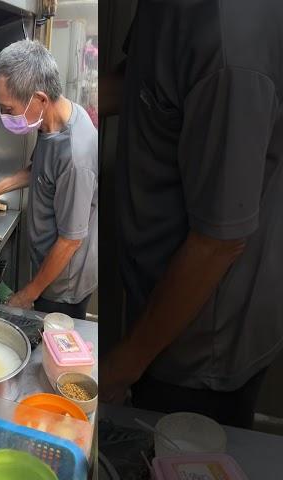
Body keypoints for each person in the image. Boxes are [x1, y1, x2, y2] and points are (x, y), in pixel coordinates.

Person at [100, 0, 283, 428]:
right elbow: (143, 75)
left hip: (206, 337)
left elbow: (219, 242)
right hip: (162, 294)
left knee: (180, 453)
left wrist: (121, 367)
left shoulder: (229, 45)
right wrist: (57, 108)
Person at [0, 40, 98, 319]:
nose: (4, 116)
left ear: (39, 98)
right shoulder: (53, 121)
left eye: (8, 109)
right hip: (48, 271)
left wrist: (27, 294)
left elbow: (70, 241)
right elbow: (38, 169)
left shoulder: (75, 156)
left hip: (63, 285)